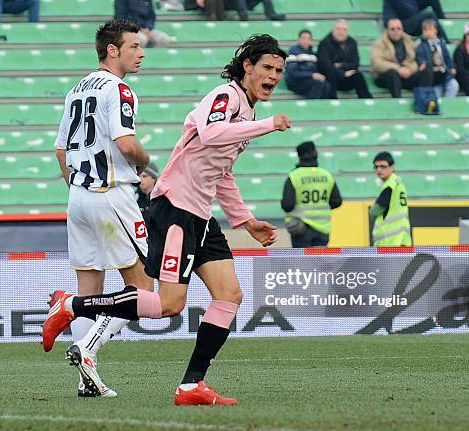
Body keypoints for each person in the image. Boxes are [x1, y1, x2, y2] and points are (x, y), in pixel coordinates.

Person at [43, 34, 292, 405]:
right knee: (168, 304)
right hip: (176, 209)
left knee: (229, 295)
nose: (273, 76)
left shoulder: (247, 112)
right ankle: (71, 306)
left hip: (201, 215)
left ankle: (192, 385)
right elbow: (210, 133)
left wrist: (245, 220)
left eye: (279, 71)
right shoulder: (226, 97)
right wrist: (268, 124)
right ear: (247, 67)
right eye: (267, 68)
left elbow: (220, 171)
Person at [50, 19, 153, 399]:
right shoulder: (119, 89)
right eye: (133, 47)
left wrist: (77, 187)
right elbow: (126, 144)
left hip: (78, 196)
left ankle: (85, 382)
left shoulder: (76, 89)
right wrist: (145, 163)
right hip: (112, 194)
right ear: (113, 50)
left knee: (89, 288)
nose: (140, 54)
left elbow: (60, 148)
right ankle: (88, 349)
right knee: (142, 288)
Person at [280, 141, 342, 248]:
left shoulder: (294, 176)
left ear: (299, 156)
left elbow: (287, 205)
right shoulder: (327, 175)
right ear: (316, 153)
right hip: (323, 228)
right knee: (319, 263)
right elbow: (337, 201)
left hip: (301, 228)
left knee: (303, 263)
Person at [371, 19, 432, 98]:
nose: (396, 31)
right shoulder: (379, 43)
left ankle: (423, 100)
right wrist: (398, 69)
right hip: (386, 77)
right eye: (392, 29)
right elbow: (376, 62)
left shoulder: (408, 41)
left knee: (427, 70)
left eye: (398, 28)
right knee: (392, 73)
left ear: (402, 30)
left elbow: (417, 59)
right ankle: (397, 101)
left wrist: (410, 69)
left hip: (406, 76)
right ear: (387, 30)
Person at [317, 20, 373, 99]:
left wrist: (341, 65)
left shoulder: (352, 42)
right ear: (333, 30)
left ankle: (368, 101)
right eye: (339, 29)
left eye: (344, 30)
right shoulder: (324, 43)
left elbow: (355, 63)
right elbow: (326, 66)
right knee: (331, 73)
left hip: (346, 78)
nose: (341, 32)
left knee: (358, 76)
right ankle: (332, 102)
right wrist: (342, 74)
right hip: (330, 79)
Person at [370, 151, 412, 246]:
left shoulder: (390, 185)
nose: (379, 170)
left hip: (389, 241)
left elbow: (375, 211)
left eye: (383, 166)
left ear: (392, 167)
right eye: (376, 167)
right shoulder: (399, 183)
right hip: (402, 239)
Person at [415, 19, 458, 97]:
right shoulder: (421, 44)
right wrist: (422, 63)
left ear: (436, 31)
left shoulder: (441, 43)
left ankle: (447, 103)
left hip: (444, 73)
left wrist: (452, 67)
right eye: (425, 30)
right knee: (436, 93)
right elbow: (419, 56)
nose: (428, 32)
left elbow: (447, 57)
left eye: (430, 29)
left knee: (454, 85)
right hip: (433, 75)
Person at [284, 29, 331, 99]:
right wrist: (311, 75)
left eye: (308, 38)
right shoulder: (293, 52)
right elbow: (293, 73)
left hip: (309, 80)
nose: (305, 41)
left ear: (311, 41)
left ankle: (321, 107)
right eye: (303, 38)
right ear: (299, 40)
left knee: (327, 85)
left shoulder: (313, 54)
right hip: (295, 82)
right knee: (317, 84)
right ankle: (312, 106)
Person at [382, 0, 448, 42]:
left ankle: (442, 20)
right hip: (401, 26)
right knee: (429, 14)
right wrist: (418, 10)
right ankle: (446, 42)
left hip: (411, 18)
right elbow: (408, 11)